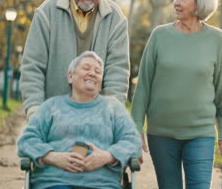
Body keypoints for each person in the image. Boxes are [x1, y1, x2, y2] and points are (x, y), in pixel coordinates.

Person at [131, 0, 222, 189]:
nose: (176, 2)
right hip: (161, 133)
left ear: (199, 3)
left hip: (200, 133)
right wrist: (135, 128)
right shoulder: (160, 35)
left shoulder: (216, 39)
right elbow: (143, 87)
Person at [20, 0, 129, 119]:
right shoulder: (47, 12)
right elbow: (32, 67)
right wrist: (35, 111)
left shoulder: (116, 19)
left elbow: (117, 73)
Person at [18, 51, 141, 189]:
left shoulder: (113, 108)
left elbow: (133, 142)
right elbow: (26, 140)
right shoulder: (51, 106)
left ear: (101, 82)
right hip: (55, 182)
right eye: (86, 68)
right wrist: (52, 157)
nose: (92, 73)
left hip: (101, 184)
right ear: (70, 76)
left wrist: (107, 156)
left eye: (98, 71)